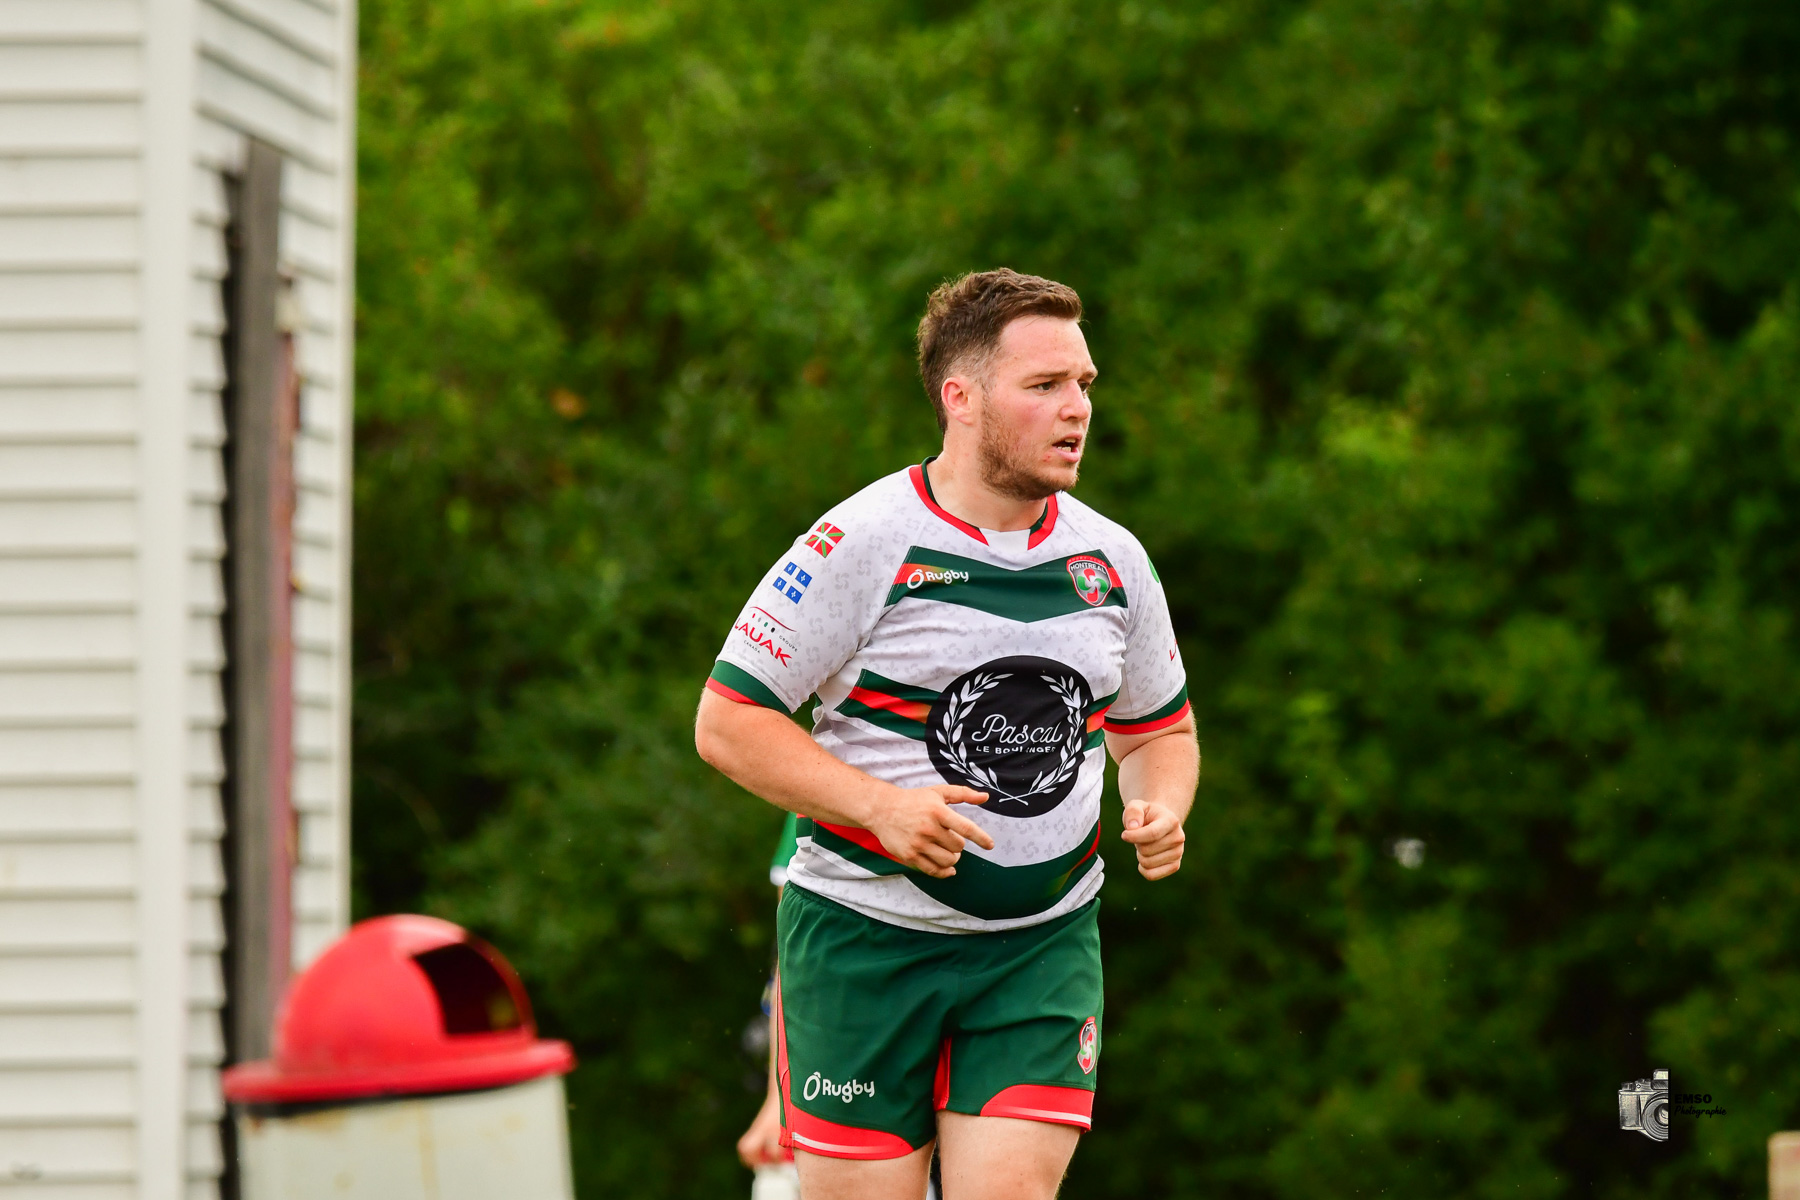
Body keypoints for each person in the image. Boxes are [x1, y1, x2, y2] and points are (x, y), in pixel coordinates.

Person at [697, 269, 1198, 1200]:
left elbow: (1157, 728)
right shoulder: (863, 541)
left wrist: (1160, 802)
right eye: (1044, 386)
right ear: (959, 398)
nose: (1076, 409)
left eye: (1084, 384)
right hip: (862, 941)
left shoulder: (1113, 559)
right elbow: (727, 721)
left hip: (1039, 945)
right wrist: (880, 808)